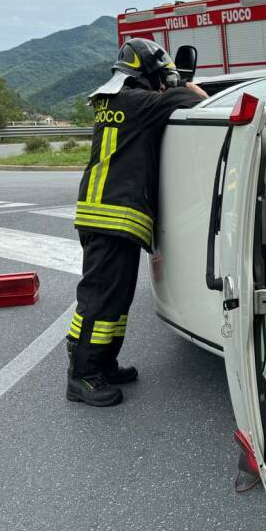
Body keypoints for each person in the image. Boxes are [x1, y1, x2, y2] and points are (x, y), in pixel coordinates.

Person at [65, 38, 206, 407]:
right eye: (160, 76)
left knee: (113, 299)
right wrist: (177, 80)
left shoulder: (117, 102)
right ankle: (82, 376)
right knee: (99, 302)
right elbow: (196, 102)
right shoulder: (141, 104)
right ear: (150, 74)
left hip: (106, 212)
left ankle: (103, 364)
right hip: (112, 215)